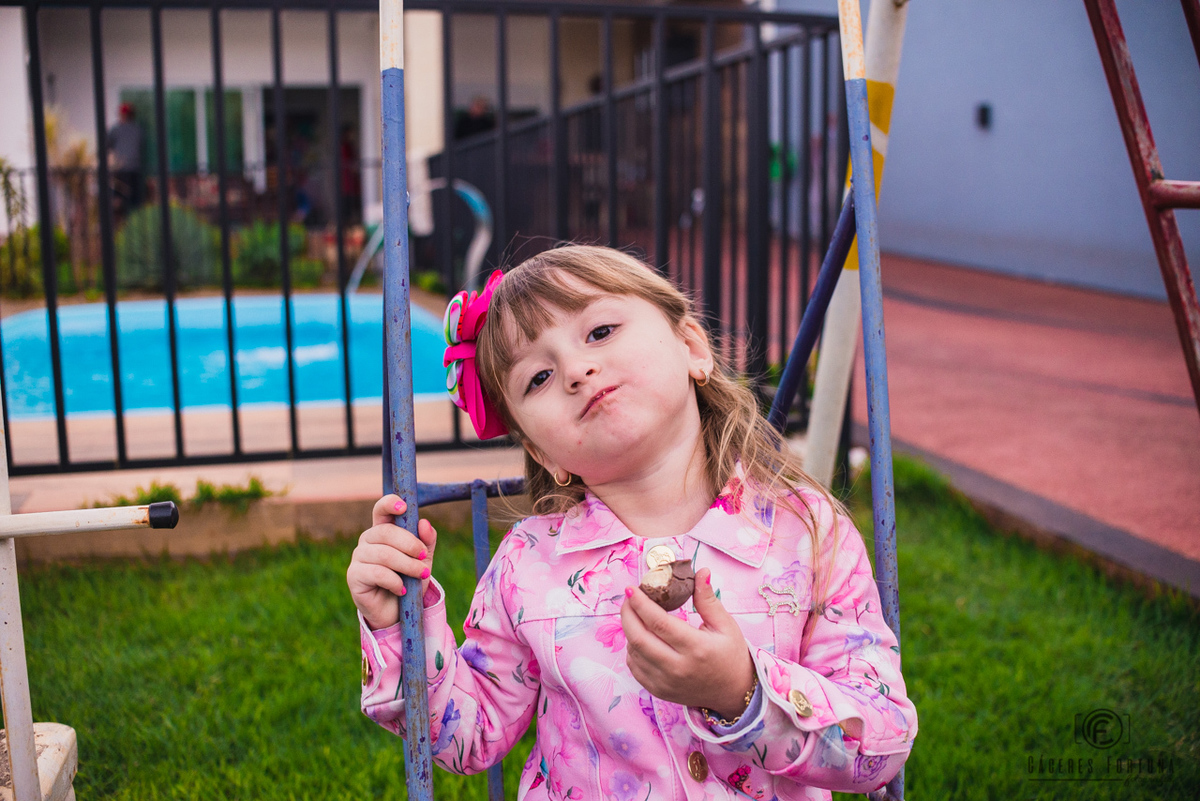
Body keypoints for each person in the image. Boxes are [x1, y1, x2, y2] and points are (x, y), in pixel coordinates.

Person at [347, 245, 918, 800]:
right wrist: (398, 626)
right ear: (546, 455)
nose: (576, 370)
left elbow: (881, 743)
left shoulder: (806, 533)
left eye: (599, 332)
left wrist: (742, 693)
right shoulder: (529, 564)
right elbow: (466, 737)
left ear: (692, 346)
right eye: (537, 378)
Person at [107, 102, 143, 221]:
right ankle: (133, 223)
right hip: (135, 171)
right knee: (135, 202)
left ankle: (121, 225)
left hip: (121, 171)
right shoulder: (138, 130)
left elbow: (107, 146)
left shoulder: (116, 130)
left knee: (119, 201)